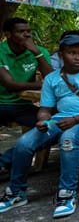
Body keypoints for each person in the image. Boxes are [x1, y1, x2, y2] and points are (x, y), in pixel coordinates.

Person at [0, 34, 79, 217]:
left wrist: (75, 120)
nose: (77, 57)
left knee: (68, 139)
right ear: (61, 55)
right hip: (60, 119)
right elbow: (45, 108)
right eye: (72, 53)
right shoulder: (52, 78)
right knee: (24, 143)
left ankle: (66, 195)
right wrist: (42, 120)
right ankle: (16, 192)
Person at [0, 17, 53, 180]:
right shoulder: (1, 51)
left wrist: (37, 53)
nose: (26, 35)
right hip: (1, 103)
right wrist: (39, 85)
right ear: (8, 34)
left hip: (22, 105)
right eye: (21, 31)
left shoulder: (39, 51)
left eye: (28, 31)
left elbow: (51, 79)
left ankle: (4, 160)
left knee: (52, 129)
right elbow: (10, 84)